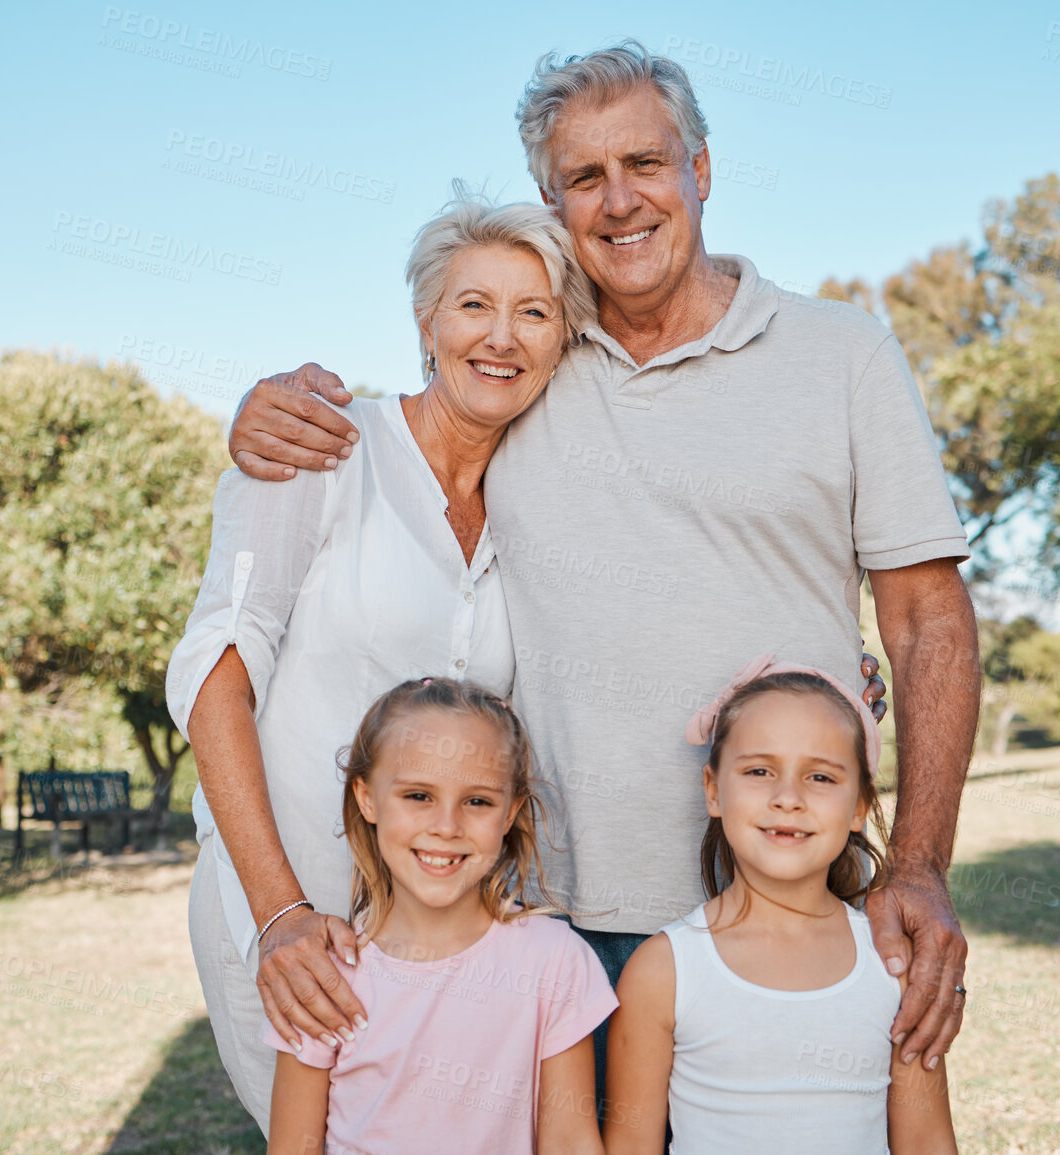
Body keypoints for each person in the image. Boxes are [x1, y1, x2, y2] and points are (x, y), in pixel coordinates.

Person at [226, 40, 979, 1076]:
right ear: (553, 200)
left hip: (791, 901)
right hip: (552, 921)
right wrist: (269, 409)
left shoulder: (842, 355)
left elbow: (928, 622)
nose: (620, 201)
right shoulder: (529, 364)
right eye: (585, 177)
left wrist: (923, 865)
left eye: (646, 165)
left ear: (701, 171)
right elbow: (410, 439)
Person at [165, 190, 597, 1134]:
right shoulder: (319, 448)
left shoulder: (537, 501)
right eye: (473, 304)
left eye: (535, 311)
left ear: (562, 339)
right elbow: (215, 680)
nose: (502, 336)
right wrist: (279, 914)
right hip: (292, 917)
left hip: (450, 940)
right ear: (426, 321)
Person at [604, 658, 955, 1154]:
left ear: (859, 807)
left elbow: (927, 1143)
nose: (787, 797)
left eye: (821, 778)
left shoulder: (893, 964)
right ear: (713, 790)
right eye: (759, 770)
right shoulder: (664, 971)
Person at [265, 678, 614, 1154]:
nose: (446, 826)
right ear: (367, 798)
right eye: (418, 796)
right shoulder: (326, 973)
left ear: (509, 813)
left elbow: (571, 1142)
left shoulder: (557, 962)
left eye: (477, 801)